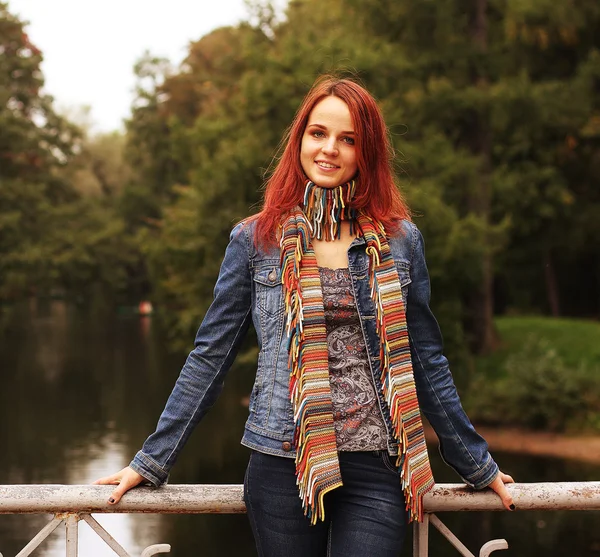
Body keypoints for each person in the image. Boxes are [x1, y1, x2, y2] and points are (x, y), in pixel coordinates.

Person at [95, 76, 515, 557]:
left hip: (379, 465)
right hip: (281, 463)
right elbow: (211, 356)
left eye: (348, 139)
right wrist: (152, 460)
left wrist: (476, 463)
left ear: (367, 152)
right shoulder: (255, 240)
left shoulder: (401, 242)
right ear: (300, 140)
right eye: (318, 134)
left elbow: (426, 360)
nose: (329, 149)